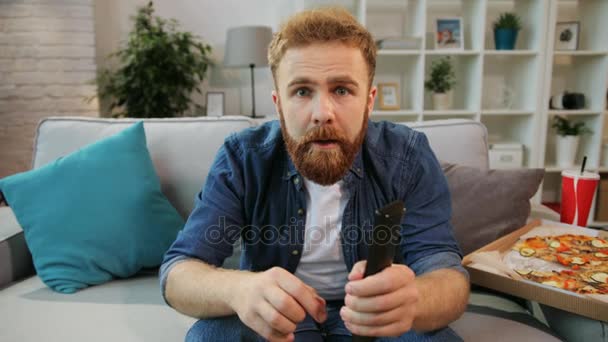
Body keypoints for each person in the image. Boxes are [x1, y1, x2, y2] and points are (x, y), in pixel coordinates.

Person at [160, 7, 469, 342]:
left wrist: (415, 299)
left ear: (369, 100)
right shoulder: (242, 158)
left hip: (373, 323)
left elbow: (446, 272)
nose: (323, 113)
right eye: (303, 91)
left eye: (341, 90)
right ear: (279, 104)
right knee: (211, 336)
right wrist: (239, 288)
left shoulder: (407, 156)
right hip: (281, 318)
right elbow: (180, 272)